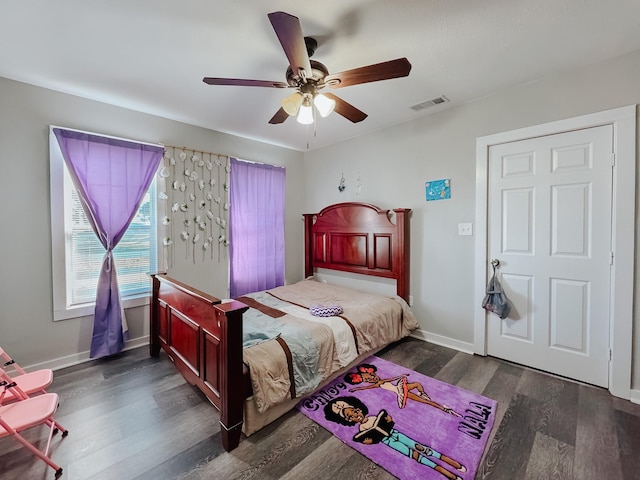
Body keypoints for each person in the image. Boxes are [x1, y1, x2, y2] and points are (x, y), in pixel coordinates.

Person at [324, 396, 467, 480]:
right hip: (389, 442)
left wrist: (388, 419)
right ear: (348, 421)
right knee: (416, 456)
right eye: (351, 417)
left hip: (396, 434)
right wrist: (369, 441)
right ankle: (448, 474)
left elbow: (388, 423)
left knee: (422, 448)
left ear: (359, 409)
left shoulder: (374, 417)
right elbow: (374, 439)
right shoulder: (361, 429)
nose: (356, 416)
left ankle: (453, 463)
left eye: (355, 411)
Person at [344, 363, 461, 417]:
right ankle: (444, 409)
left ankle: (423, 394)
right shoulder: (378, 384)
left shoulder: (382, 380)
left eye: (373, 375)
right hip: (400, 392)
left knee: (416, 384)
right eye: (370, 379)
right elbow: (367, 387)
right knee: (423, 401)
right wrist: (356, 389)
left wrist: (401, 376)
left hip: (400, 386)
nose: (373, 378)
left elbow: (392, 378)